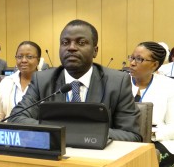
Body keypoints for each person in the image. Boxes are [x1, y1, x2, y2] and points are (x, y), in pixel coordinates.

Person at [8, 19, 141, 142]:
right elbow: (16, 119)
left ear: (95, 51)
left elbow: (131, 135)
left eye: (81, 42)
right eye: (65, 43)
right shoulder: (42, 80)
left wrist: (79, 134)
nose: (71, 47)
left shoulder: (117, 82)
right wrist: (62, 130)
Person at [128, 41, 174, 167]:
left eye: (139, 59)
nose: (132, 63)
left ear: (154, 65)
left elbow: (173, 126)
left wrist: (151, 134)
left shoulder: (170, 86)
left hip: (157, 141)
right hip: (123, 139)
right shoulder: (120, 83)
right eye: (131, 57)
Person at [0, 41, 41, 121]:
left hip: (36, 132)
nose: (23, 60)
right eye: (19, 57)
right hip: (8, 132)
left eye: (29, 57)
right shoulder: (6, 82)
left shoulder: (46, 83)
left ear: (38, 60)